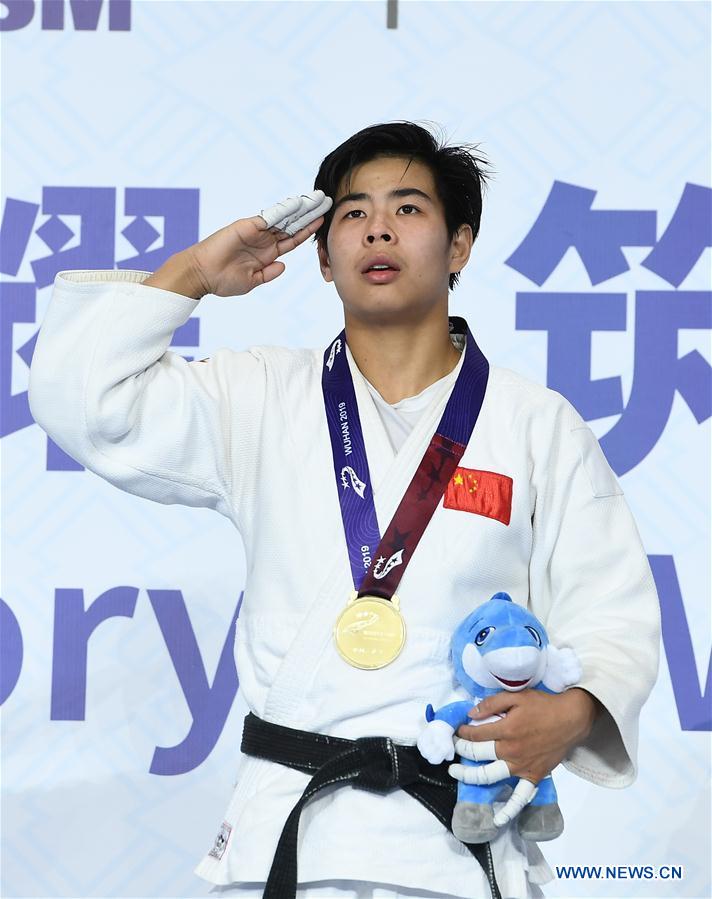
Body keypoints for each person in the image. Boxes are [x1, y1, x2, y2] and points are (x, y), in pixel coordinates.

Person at [28, 121, 660, 899]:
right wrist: (193, 271)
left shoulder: (535, 424)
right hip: (291, 840)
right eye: (353, 213)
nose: (379, 228)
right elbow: (81, 401)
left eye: (408, 208)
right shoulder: (258, 395)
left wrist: (575, 711)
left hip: (456, 846)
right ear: (322, 256)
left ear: (459, 245)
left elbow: (614, 608)